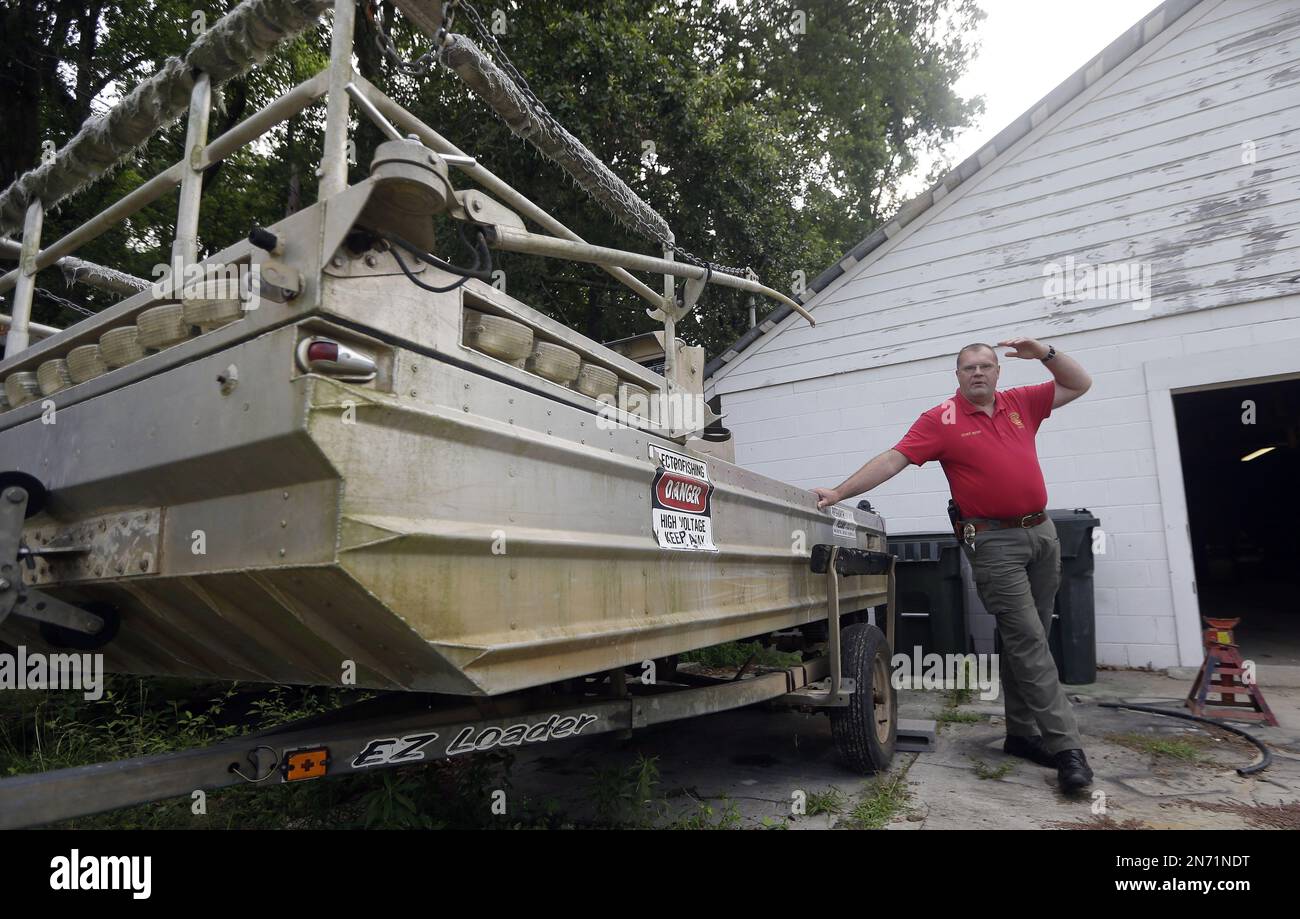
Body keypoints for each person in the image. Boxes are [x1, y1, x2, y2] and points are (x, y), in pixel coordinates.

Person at [812, 338, 1095, 793]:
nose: (978, 373)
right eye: (969, 368)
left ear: (999, 371)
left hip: (1042, 534)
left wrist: (1044, 351)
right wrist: (839, 493)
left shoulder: (1022, 401)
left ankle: (1021, 736)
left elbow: (1079, 383)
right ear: (958, 375)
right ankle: (1068, 750)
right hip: (993, 542)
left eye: (986, 366)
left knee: (1030, 640)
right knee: (1030, 643)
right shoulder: (940, 420)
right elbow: (893, 459)